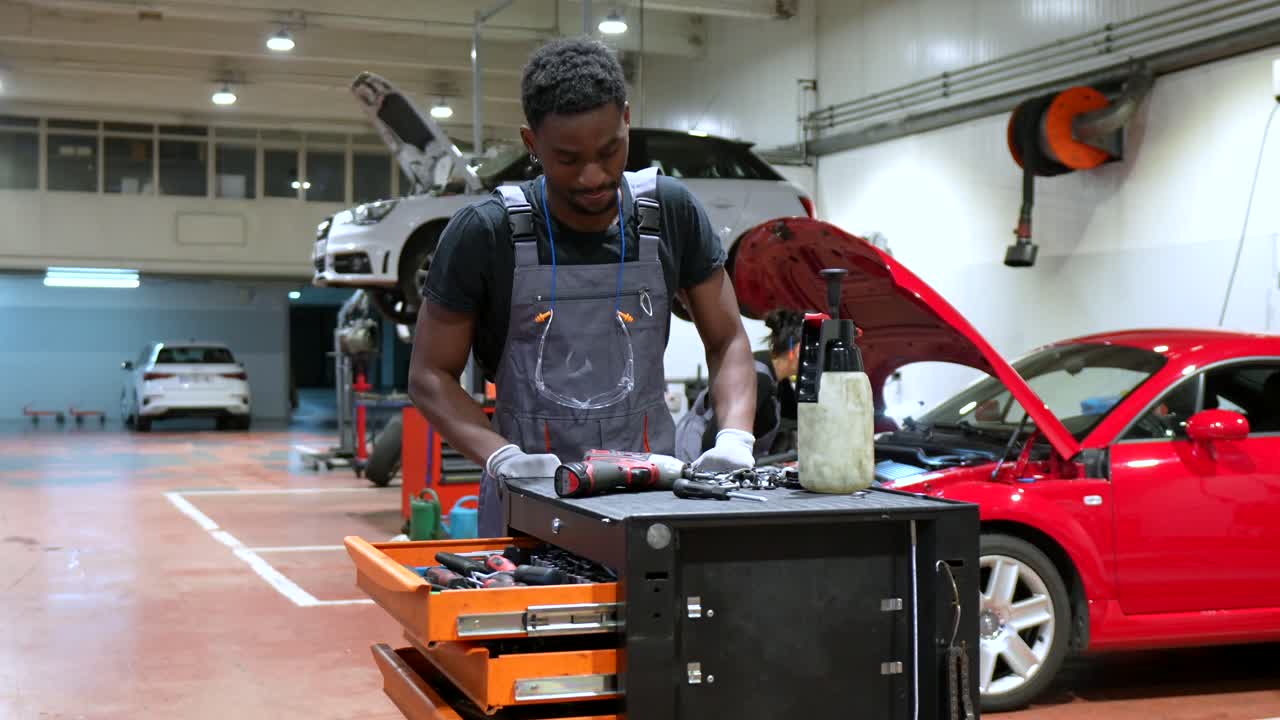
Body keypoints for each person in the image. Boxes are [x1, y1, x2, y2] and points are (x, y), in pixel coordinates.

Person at [407, 37, 758, 537]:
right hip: (528, 504)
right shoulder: (486, 232)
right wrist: (501, 457)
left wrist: (735, 438)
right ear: (532, 143)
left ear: (627, 120)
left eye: (610, 151)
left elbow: (727, 339)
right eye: (568, 159)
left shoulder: (670, 213)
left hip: (651, 501)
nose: (593, 176)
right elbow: (429, 374)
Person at [675, 309, 803, 462]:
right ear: (797, 351)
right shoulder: (757, 378)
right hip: (700, 459)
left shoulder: (777, 378)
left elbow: (797, 418)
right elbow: (712, 443)